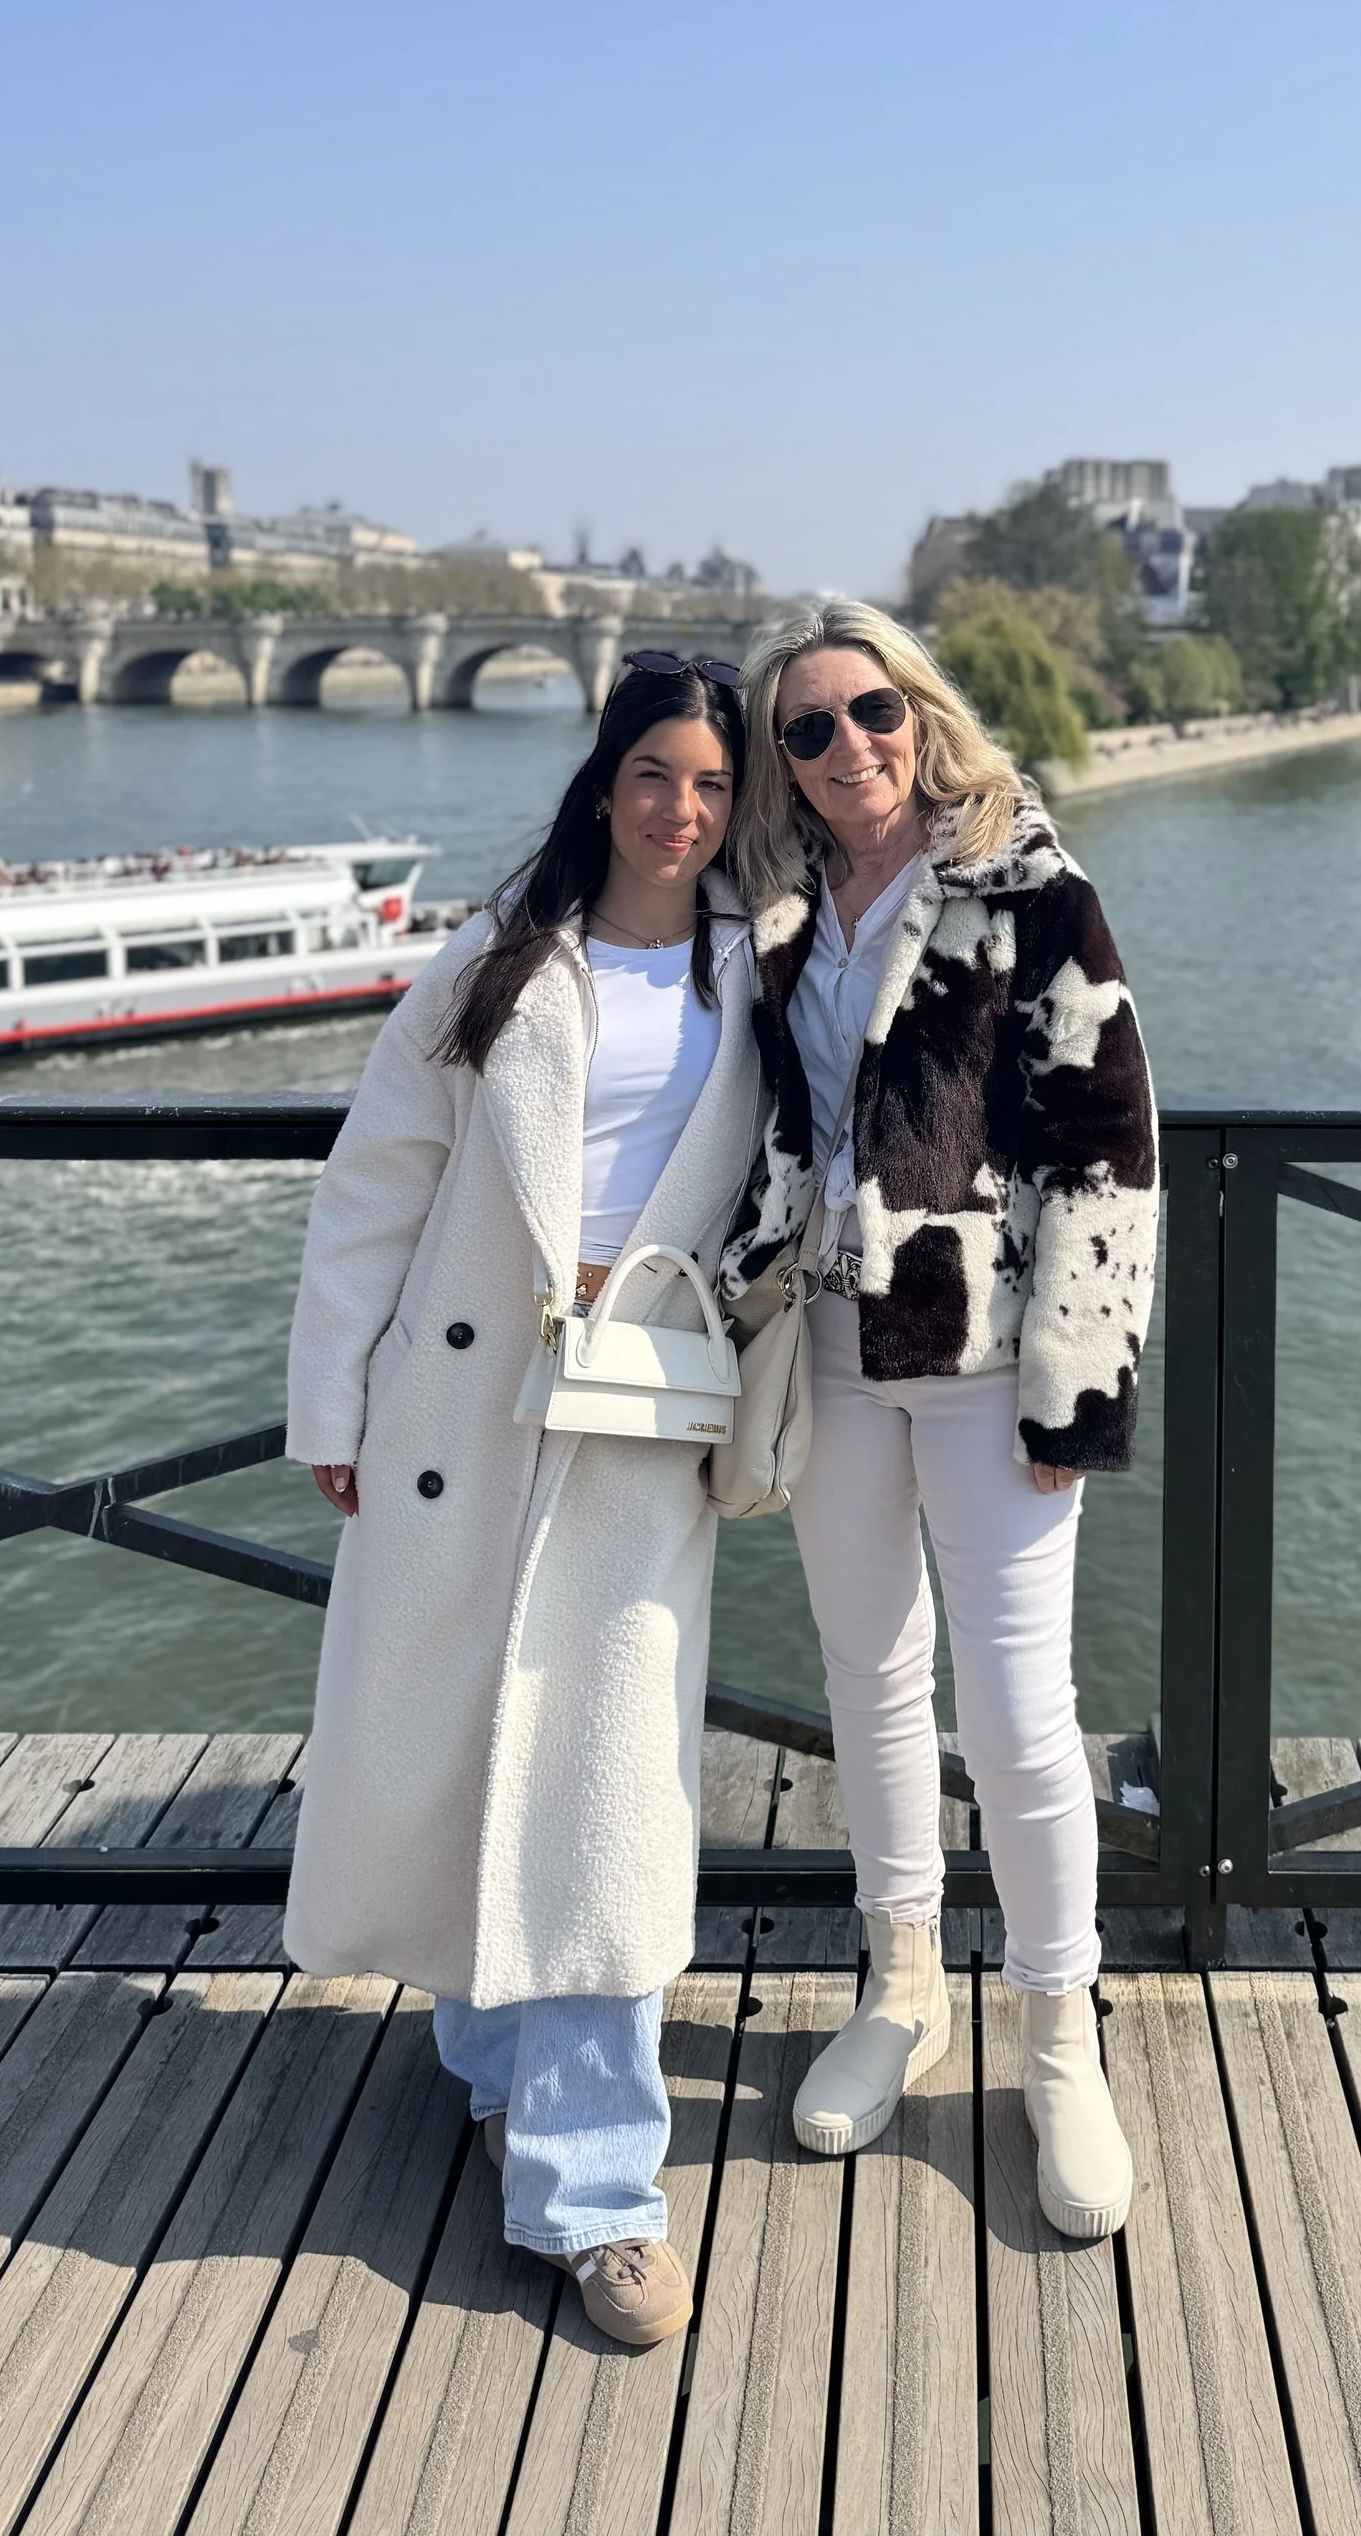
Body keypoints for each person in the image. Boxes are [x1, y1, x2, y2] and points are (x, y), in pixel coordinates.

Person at [283, 654, 760, 2347]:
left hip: (637, 1412)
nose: (681, 809)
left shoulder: (758, 976)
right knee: (471, 1734)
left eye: (710, 783)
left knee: (605, 1785)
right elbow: (371, 1190)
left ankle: (593, 2188)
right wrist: (328, 1395)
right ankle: (493, 2050)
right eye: (654, 773)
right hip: (464, 1399)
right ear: (603, 781)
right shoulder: (495, 965)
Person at [721, 597, 1158, 2238]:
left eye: (874, 711)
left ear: (923, 710)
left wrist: (1081, 1388)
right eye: (811, 729)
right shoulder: (768, 907)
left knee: (1023, 1723)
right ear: (786, 760)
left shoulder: (1031, 888)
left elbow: (1109, 1148)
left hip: (988, 1369)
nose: (851, 748)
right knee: (869, 1684)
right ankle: (899, 1985)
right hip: (826, 1349)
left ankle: (1060, 2032)